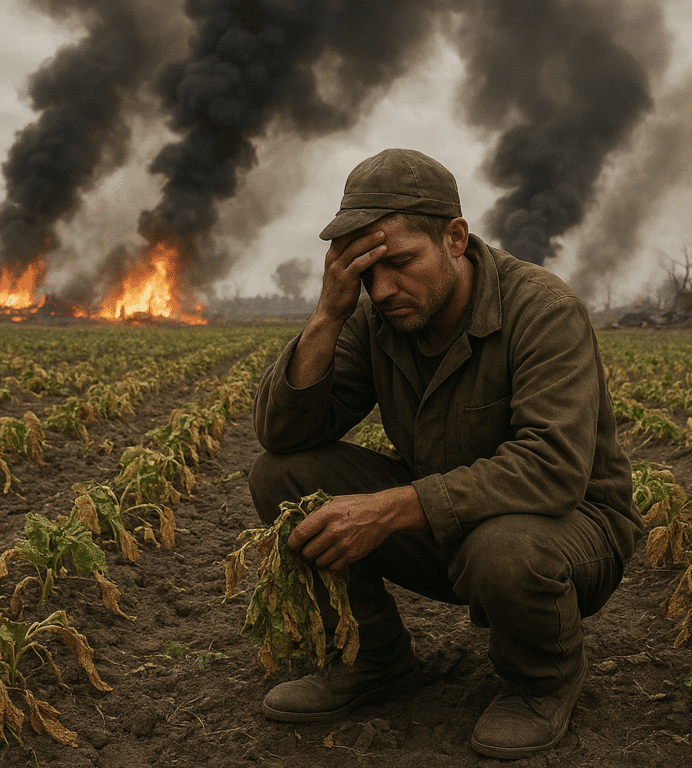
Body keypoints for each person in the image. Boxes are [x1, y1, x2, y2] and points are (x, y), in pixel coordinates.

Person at [248, 148, 643, 759]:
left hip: (571, 532)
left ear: (455, 238)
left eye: (400, 263)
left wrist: (389, 509)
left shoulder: (542, 308)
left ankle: (540, 683)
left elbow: (553, 469)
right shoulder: (378, 316)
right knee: (284, 478)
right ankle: (372, 659)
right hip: (449, 522)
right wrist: (329, 312)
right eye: (364, 273)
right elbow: (283, 434)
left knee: (504, 548)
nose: (382, 289)